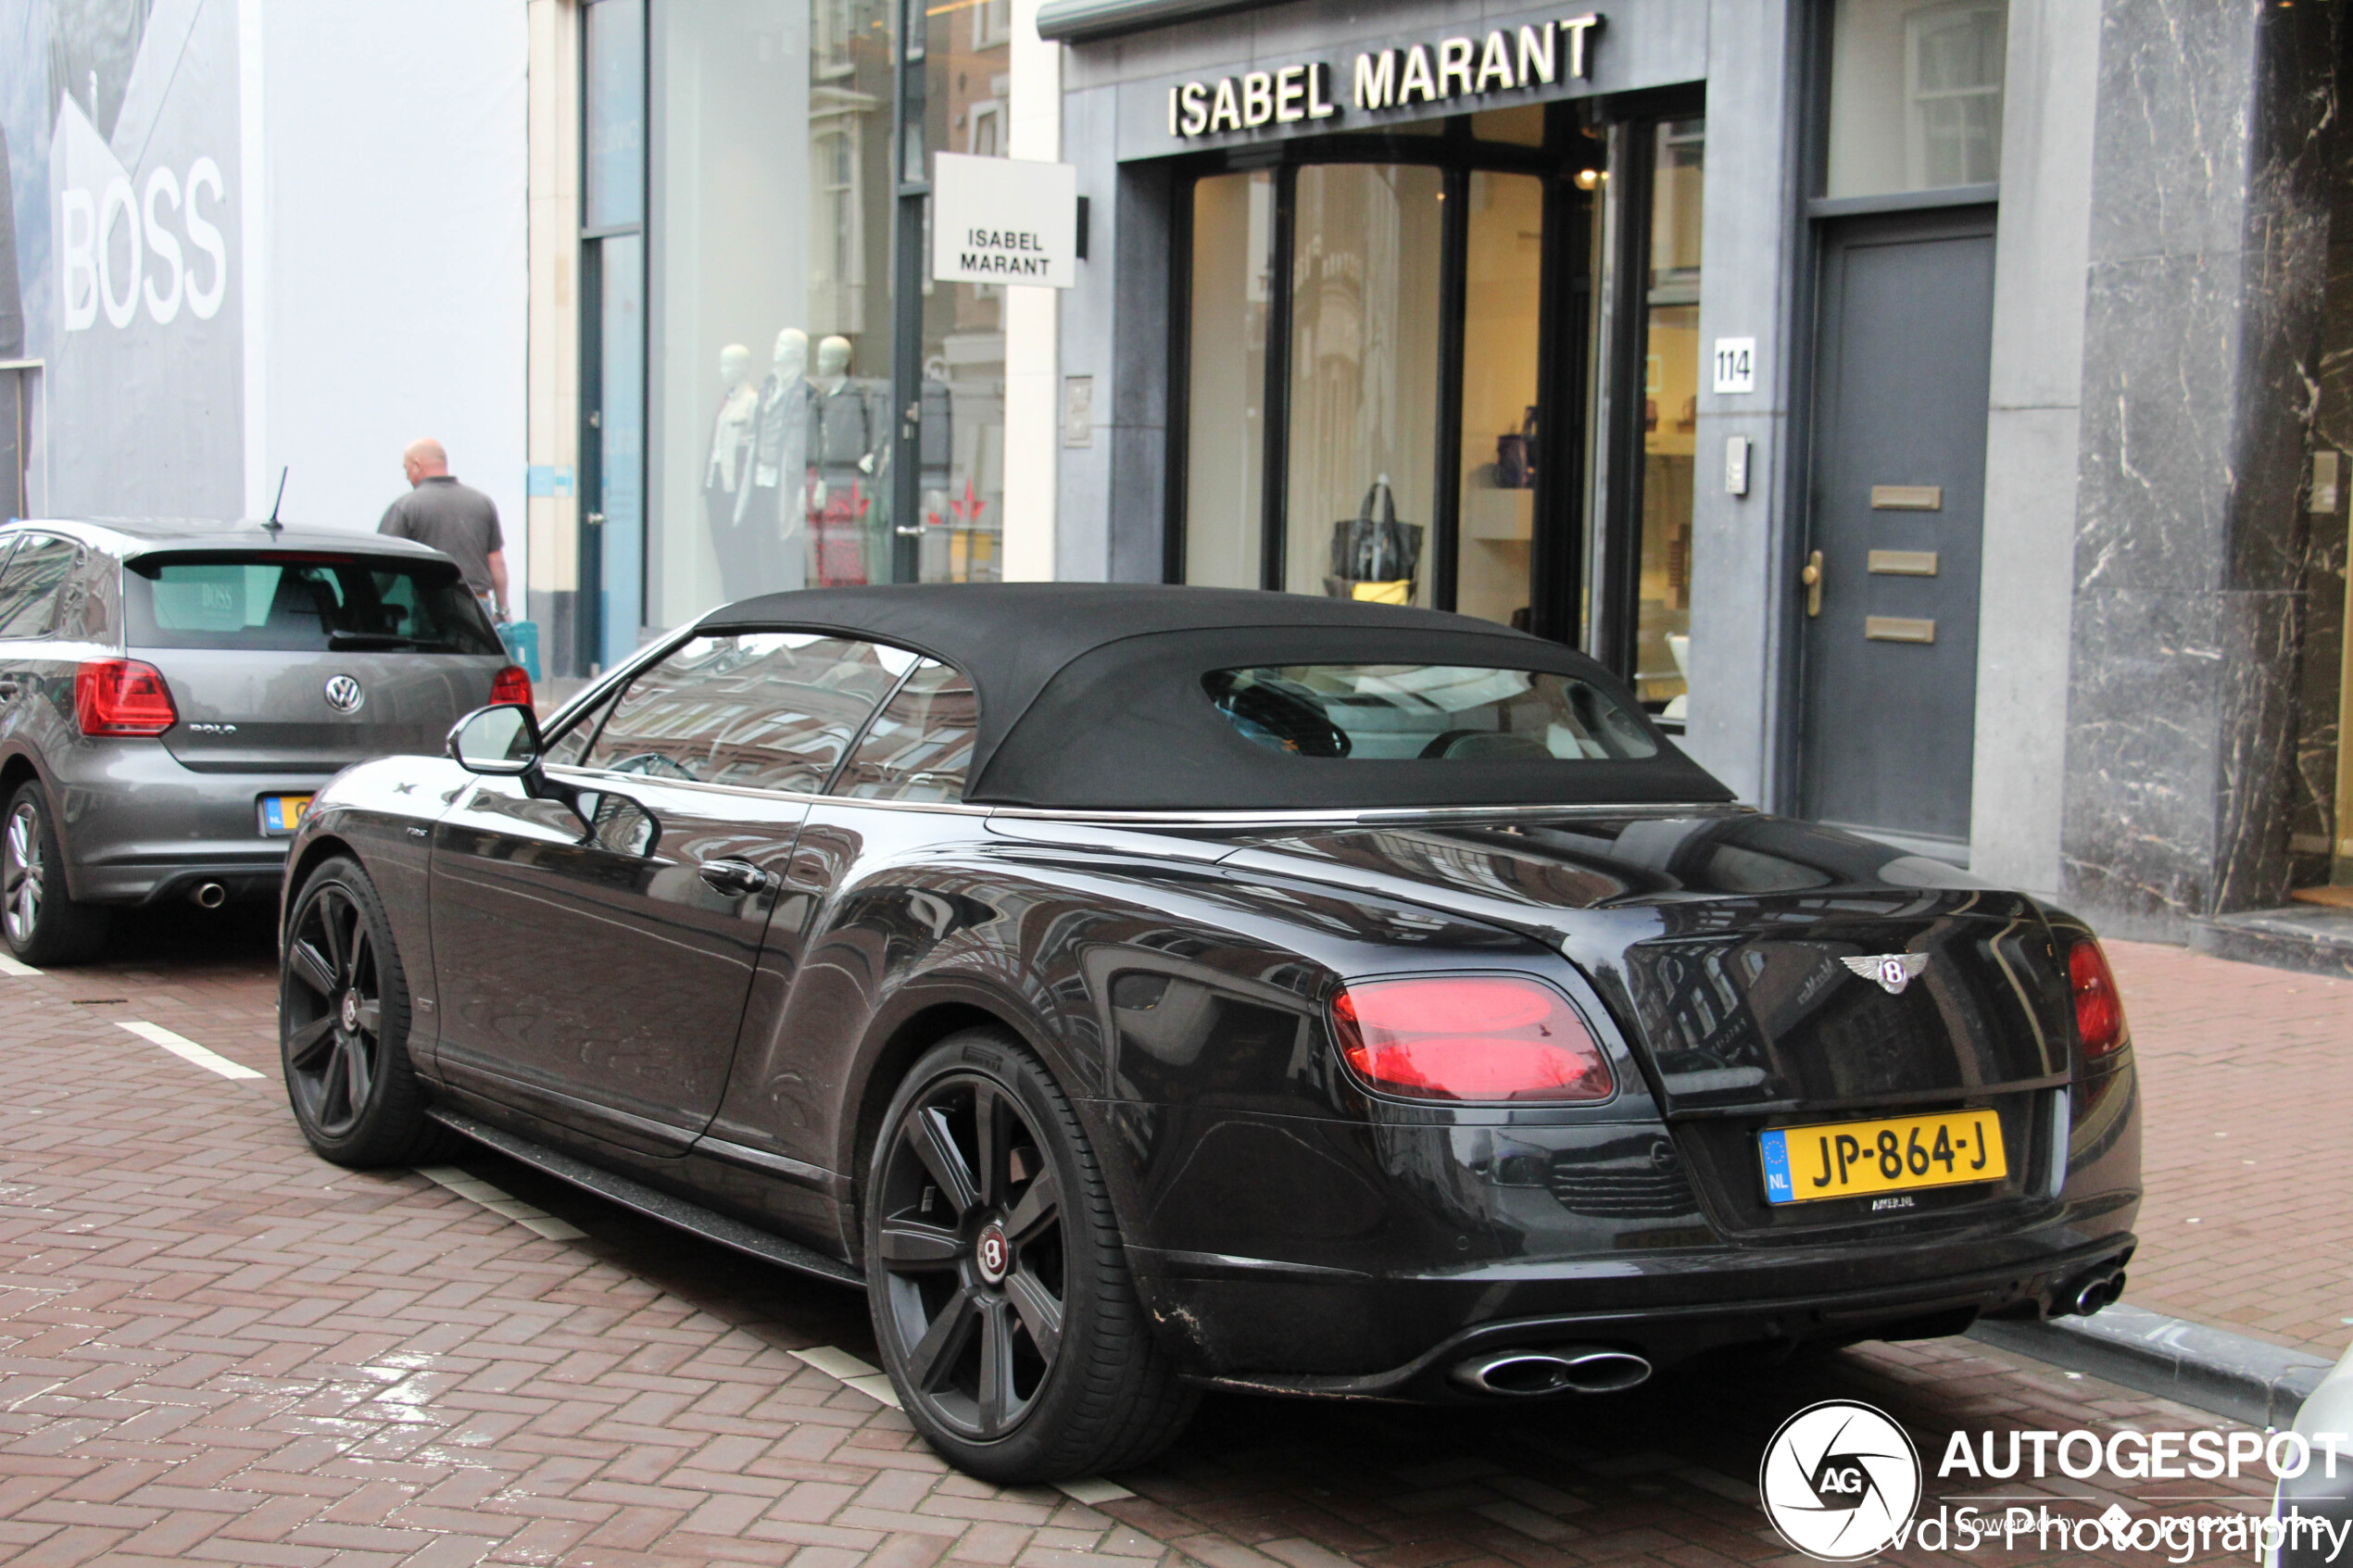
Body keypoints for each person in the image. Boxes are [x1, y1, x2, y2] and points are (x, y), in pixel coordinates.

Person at [378, 438, 508, 621]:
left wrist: (368, 604)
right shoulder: (482, 503)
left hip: (431, 605)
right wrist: (502, 610)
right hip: (478, 607)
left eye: (406, 469)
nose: (407, 477)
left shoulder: (406, 507)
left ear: (417, 465)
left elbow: (384, 566)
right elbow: (496, 561)